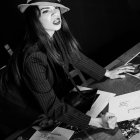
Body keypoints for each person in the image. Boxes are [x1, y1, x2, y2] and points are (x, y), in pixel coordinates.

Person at [0, 0, 135, 139]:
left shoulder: (55, 34)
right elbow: (52, 107)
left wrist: (108, 73)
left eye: (55, 8)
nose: (54, 12)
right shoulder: (32, 58)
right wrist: (98, 122)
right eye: (46, 10)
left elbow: (76, 57)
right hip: (23, 109)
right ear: (34, 20)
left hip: (47, 100)